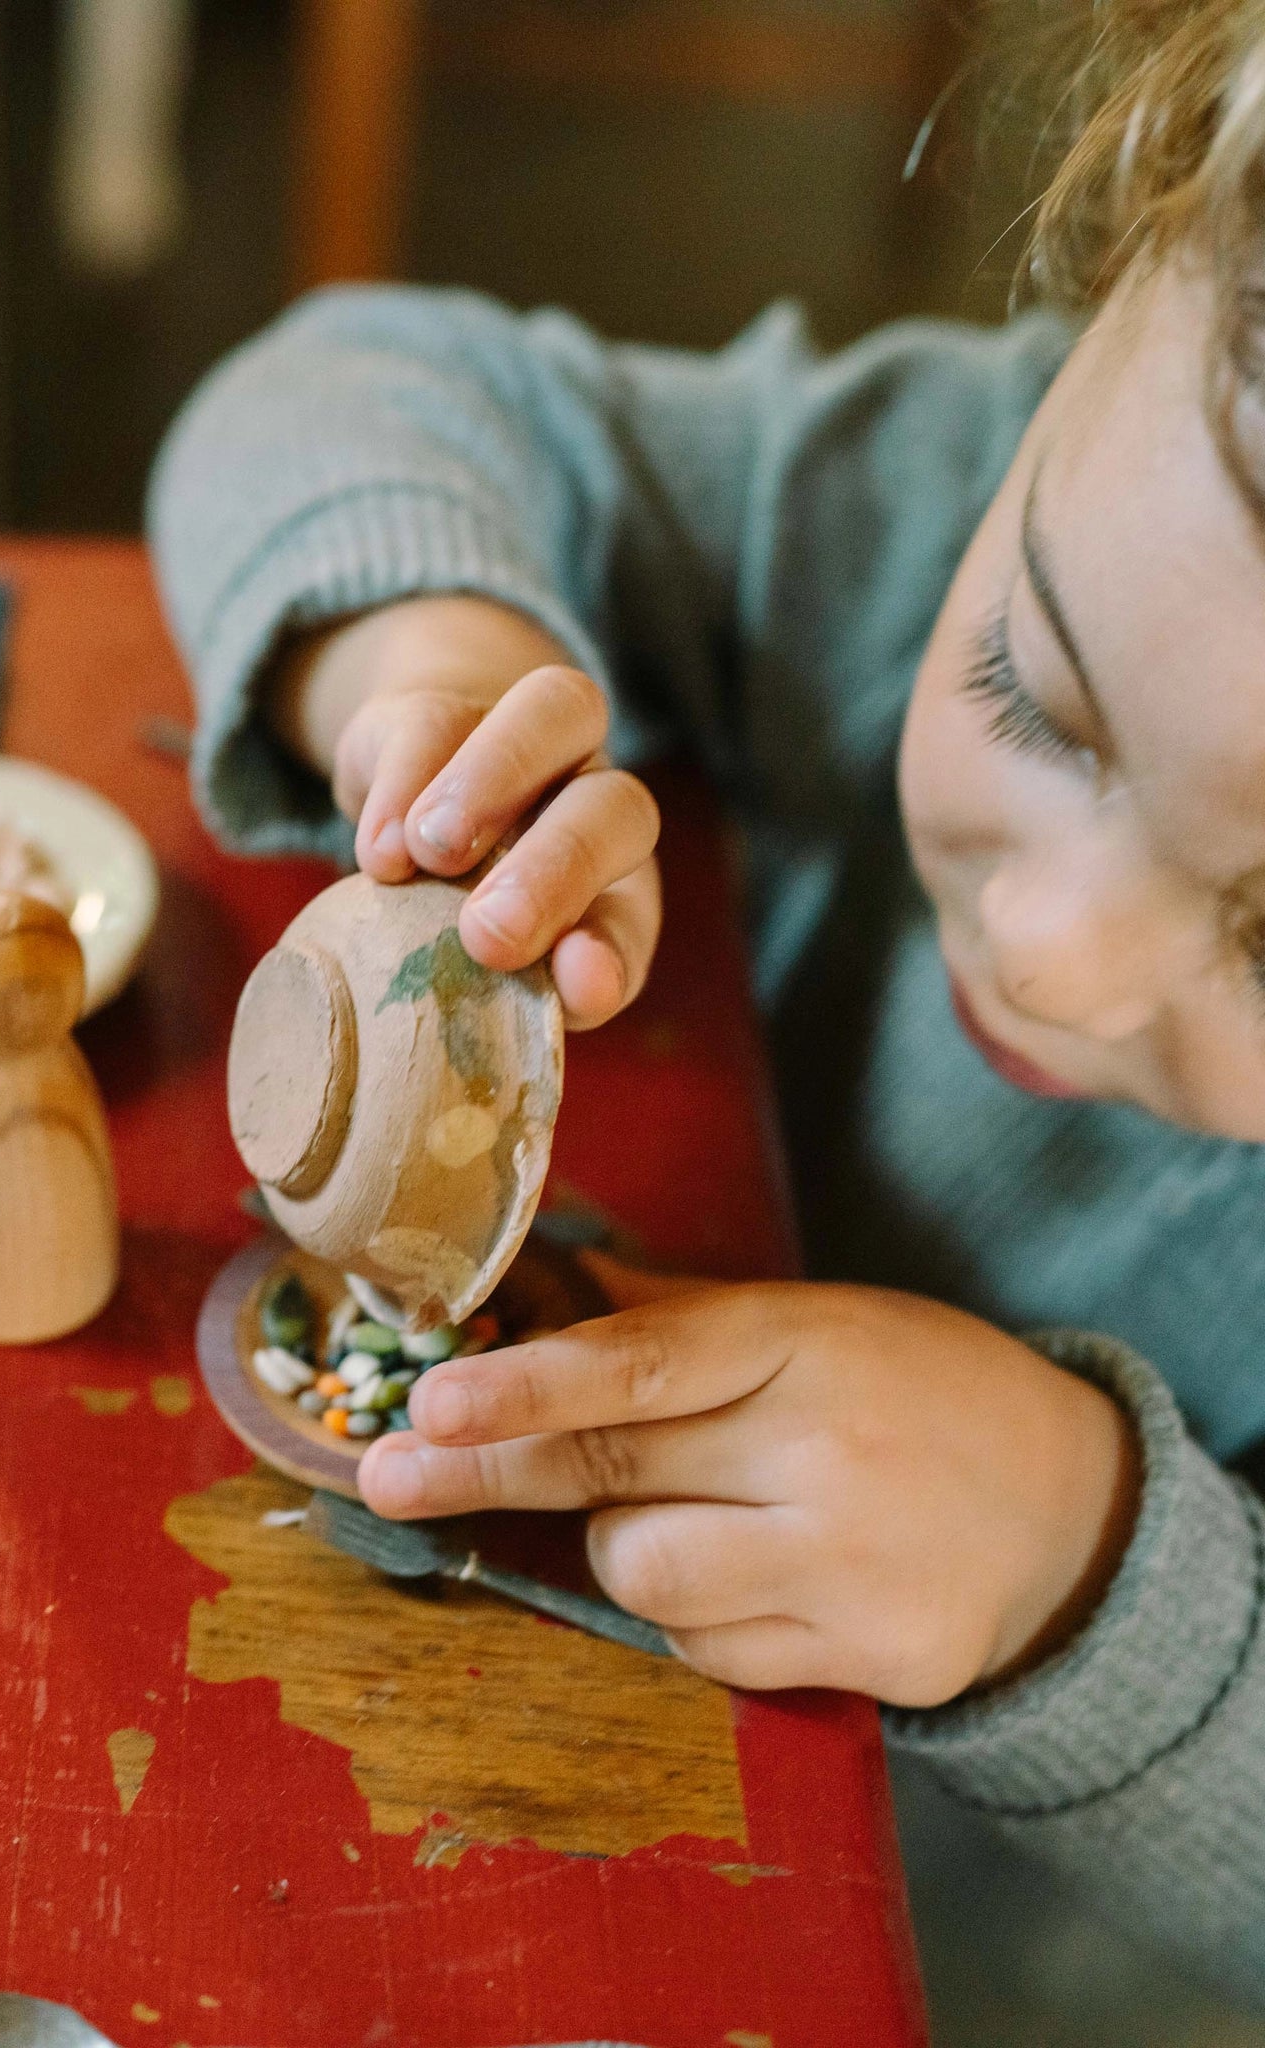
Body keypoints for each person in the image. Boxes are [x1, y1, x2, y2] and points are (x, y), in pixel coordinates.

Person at [148, 0, 1265, 2000]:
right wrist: (435, 663)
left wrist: (1086, 1578)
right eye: (1036, 693)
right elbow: (343, 384)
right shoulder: (952, 479)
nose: (1050, 947)